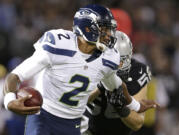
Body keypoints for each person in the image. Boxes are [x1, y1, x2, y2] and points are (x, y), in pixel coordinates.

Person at [3, 4, 124, 135]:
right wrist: (9, 100)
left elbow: (113, 83)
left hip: (72, 123)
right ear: (88, 27)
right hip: (44, 116)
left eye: (109, 30)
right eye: (104, 29)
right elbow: (16, 75)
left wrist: (132, 104)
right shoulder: (58, 43)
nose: (108, 35)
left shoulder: (110, 58)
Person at [82, 31, 154, 135]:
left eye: (121, 61)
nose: (117, 65)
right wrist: (101, 86)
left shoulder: (137, 71)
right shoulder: (89, 64)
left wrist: (121, 107)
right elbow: (74, 102)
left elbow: (137, 123)